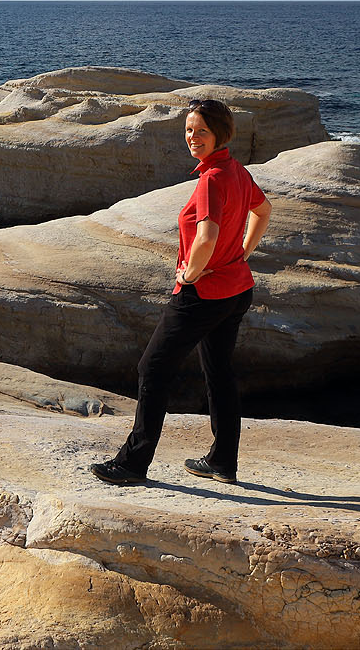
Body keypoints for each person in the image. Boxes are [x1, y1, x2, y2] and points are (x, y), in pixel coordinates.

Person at [90, 98, 271, 486]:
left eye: (201, 131)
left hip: (202, 294)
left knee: (151, 369)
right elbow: (264, 211)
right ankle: (223, 462)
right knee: (219, 372)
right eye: (188, 130)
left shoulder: (211, 180)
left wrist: (190, 274)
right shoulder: (236, 170)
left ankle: (132, 464)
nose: (192, 137)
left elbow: (206, 236)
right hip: (237, 289)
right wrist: (241, 253)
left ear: (220, 134)